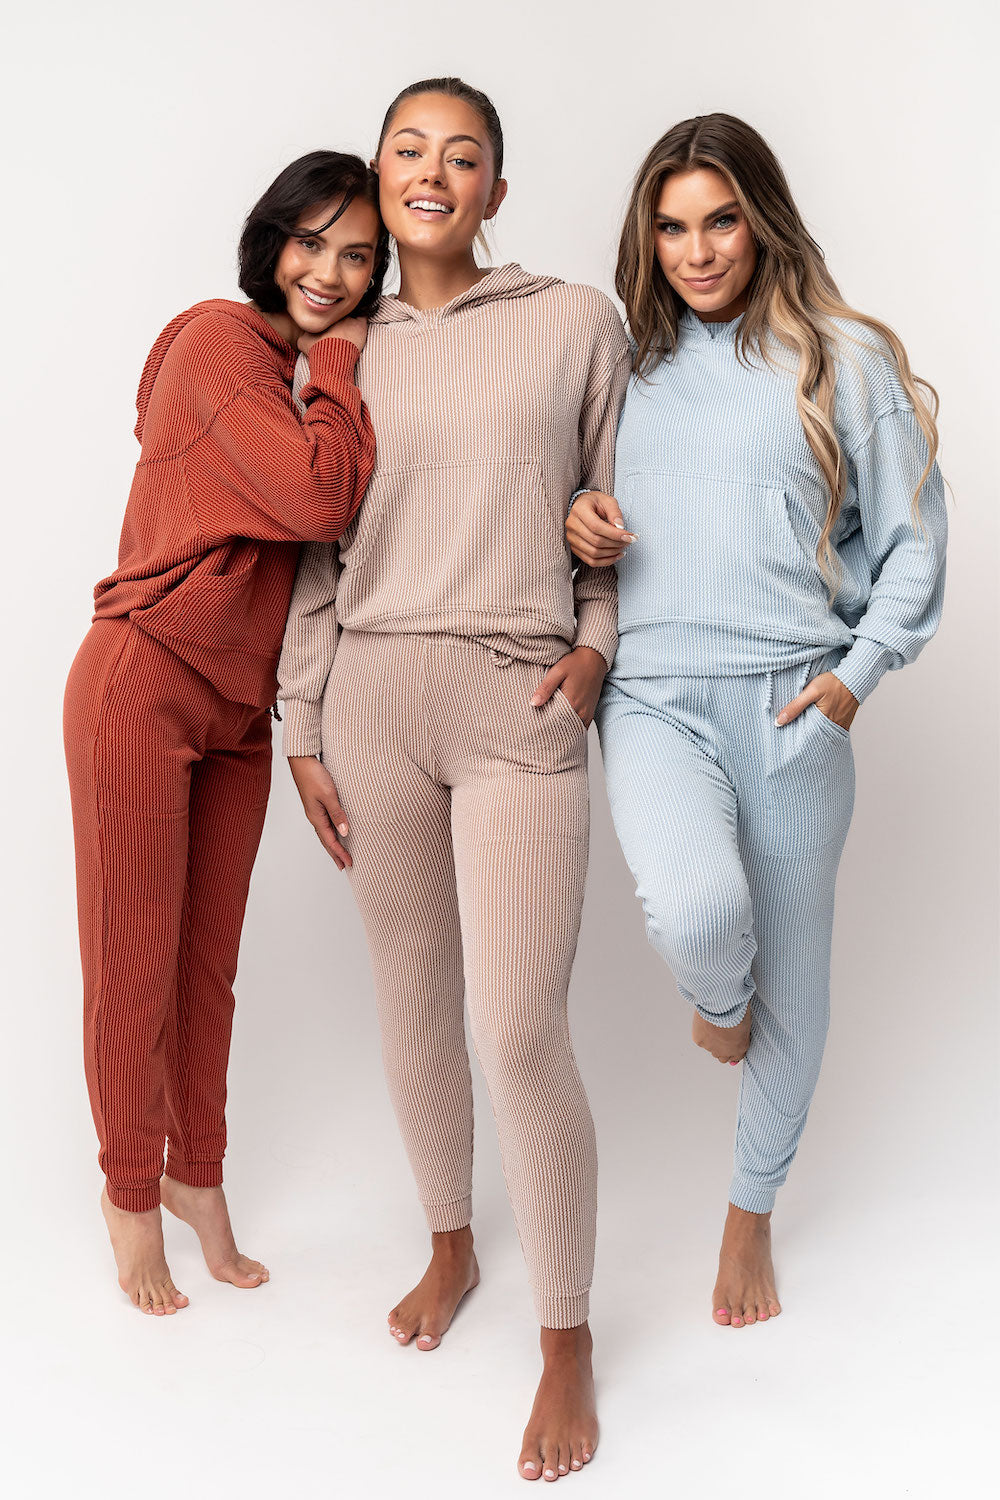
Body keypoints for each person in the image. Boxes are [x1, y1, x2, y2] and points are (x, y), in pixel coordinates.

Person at [278, 78, 629, 1479]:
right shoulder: (338, 346)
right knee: (414, 999)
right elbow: (314, 547)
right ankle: (450, 1242)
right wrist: (302, 725)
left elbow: (613, 503)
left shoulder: (574, 320)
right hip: (371, 700)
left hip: (516, 695)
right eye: (409, 150)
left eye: (462, 154)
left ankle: (567, 1335)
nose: (433, 172)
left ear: (496, 188)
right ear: (378, 177)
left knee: (518, 1024)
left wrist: (595, 646)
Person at [567, 112, 946, 1331]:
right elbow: (567, 504)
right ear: (647, 239)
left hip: (794, 702)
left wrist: (856, 675)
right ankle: (718, 1006)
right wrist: (577, 516)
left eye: (720, 220)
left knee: (800, 982)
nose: (697, 251)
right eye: (672, 227)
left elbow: (914, 541)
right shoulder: (622, 368)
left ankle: (749, 1212)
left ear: (762, 219)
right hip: (653, 697)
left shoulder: (841, 358)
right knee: (697, 913)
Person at [64, 151, 386, 1315]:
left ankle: (196, 1175)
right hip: (143, 679)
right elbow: (317, 500)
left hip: (239, 712)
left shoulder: (298, 374)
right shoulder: (220, 342)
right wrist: (340, 362)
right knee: (132, 959)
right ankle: (127, 1195)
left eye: (358, 256)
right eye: (312, 242)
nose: (330, 273)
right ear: (271, 240)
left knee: (207, 968)